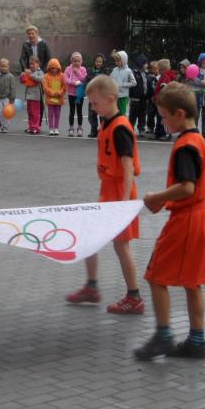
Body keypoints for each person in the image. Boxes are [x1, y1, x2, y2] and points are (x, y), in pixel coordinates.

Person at [134, 82, 205, 361]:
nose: (163, 120)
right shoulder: (198, 139)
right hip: (202, 216)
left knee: (156, 276)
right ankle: (196, 341)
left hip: (188, 219)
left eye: (164, 116)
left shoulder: (184, 145)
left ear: (179, 114)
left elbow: (187, 187)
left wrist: (156, 197)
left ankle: (164, 336)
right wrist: (165, 202)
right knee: (193, 282)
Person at [66, 74, 144, 315]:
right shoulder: (106, 122)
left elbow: (128, 166)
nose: (92, 107)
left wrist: (123, 203)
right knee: (89, 236)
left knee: (121, 246)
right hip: (108, 190)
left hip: (120, 191)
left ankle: (134, 297)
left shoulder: (120, 127)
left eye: (95, 103)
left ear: (110, 99)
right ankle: (92, 287)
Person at [153, 59, 179, 141]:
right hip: (161, 101)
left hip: (164, 101)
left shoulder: (166, 77)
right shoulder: (165, 76)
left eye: (159, 69)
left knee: (163, 118)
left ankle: (165, 133)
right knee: (160, 117)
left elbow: (164, 88)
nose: (158, 71)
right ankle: (158, 132)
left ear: (163, 70)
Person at [64, 51, 87, 137]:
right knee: (72, 111)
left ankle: (80, 128)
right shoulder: (68, 69)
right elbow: (66, 79)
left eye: (78, 61)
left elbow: (84, 79)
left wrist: (77, 72)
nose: (76, 63)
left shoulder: (83, 69)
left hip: (80, 93)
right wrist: (74, 83)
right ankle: (71, 128)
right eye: (75, 61)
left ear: (81, 61)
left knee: (79, 111)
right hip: (71, 93)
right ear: (71, 61)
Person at [85, 53, 109, 138]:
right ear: (94, 62)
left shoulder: (105, 71)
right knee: (92, 115)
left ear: (103, 62)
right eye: (97, 61)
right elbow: (86, 81)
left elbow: (106, 82)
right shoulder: (90, 71)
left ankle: (103, 131)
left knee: (102, 116)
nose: (98, 63)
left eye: (100, 61)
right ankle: (93, 130)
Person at [20, 55, 44, 134]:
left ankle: (36, 127)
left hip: (36, 97)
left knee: (35, 113)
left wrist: (31, 75)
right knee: (30, 112)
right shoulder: (29, 71)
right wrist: (22, 76)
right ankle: (30, 126)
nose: (32, 66)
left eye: (34, 64)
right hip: (29, 96)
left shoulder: (40, 72)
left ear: (38, 64)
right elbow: (23, 81)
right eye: (30, 64)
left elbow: (40, 79)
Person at [43, 58, 65, 136]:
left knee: (57, 114)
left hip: (58, 98)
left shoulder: (62, 76)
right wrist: (52, 93)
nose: (53, 69)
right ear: (49, 68)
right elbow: (45, 87)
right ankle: (51, 128)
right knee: (51, 114)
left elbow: (64, 86)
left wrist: (59, 93)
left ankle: (56, 128)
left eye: (55, 68)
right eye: (52, 68)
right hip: (50, 98)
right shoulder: (46, 76)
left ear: (58, 68)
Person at [110, 50, 136, 115]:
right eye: (115, 60)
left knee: (122, 114)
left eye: (118, 60)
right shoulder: (115, 69)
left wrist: (123, 85)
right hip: (114, 95)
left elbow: (134, 83)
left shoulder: (128, 71)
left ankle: (122, 124)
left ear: (124, 60)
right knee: (113, 113)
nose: (116, 62)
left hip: (123, 96)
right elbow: (110, 78)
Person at [0, 57, 15, 133]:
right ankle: (0, 126)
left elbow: (13, 88)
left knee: (6, 113)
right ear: (0, 66)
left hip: (7, 98)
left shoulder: (11, 76)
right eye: (2, 66)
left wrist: (12, 98)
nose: (3, 68)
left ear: (8, 67)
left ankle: (5, 126)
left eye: (5, 66)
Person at [128, 54, 148, 136]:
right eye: (145, 63)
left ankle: (141, 128)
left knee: (142, 114)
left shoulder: (145, 73)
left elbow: (146, 84)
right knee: (133, 115)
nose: (147, 65)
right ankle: (130, 128)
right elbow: (132, 85)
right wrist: (132, 94)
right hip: (135, 98)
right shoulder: (134, 72)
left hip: (143, 98)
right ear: (141, 63)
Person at [145, 61, 160, 134]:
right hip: (151, 98)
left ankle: (157, 128)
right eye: (155, 69)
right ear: (151, 69)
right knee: (150, 114)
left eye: (157, 69)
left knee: (158, 114)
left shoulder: (159, 77)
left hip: (157, 99)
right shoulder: (149, 77)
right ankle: (150, 127)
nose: (156, 71)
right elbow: (149, 88)